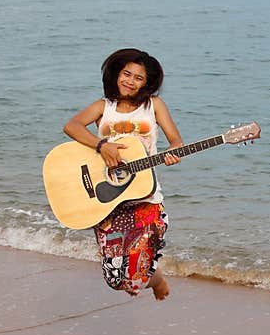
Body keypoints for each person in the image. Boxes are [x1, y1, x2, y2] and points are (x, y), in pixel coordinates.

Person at [63, 48, 183, 300]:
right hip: (107, 200)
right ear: (117, 74)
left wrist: (174, 152)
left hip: (145, 197)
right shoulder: (103, 107)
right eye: (126, 74)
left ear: (147, 83)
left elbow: (176, 141)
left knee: (136, 275)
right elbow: (71, 126)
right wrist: (100, 145)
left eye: (138, 78)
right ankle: (154, 276)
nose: (130, 81)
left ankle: (153, 277)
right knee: (116, 280)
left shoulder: (154, 106)